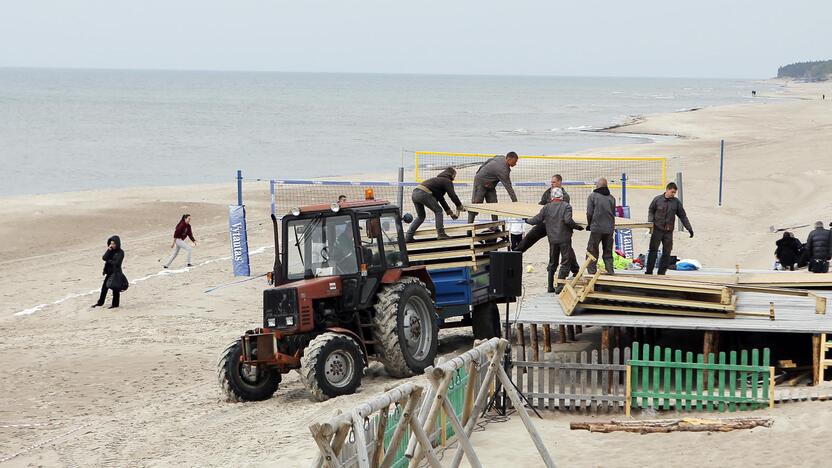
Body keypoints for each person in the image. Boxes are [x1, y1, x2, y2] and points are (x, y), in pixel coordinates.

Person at [514, 174, 580, 275]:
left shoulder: (565, 196)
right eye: (551, 182)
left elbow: (562, 213)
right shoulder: (548, 192)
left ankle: (575, 270)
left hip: (558, 226)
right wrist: (530, 216)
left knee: (567, 249)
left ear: (559, 182)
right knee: (530, 237)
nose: (552, 184)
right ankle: (514, 254)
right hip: (545, 223)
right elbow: (541, 205)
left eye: (553, 182)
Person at [526, 188, 584, 293]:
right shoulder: (566, 206)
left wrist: (527, 221)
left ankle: (550, 286)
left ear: (552, 197)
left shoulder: (547, 207)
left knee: (553, 262)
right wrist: (577, 227)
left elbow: (537, 219)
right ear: (561, 196)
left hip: (552, 239)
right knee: (565, 261)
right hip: (564, 238)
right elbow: (568, 220)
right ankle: (560, 285)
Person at [646, 182, 693, 275]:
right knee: (653, 251)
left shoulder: (676, 202)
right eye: (672, 192)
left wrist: (689, 228)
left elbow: (683, 216)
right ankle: (649, 271)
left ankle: (661, 273)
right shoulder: (657, 199)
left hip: (668, 231)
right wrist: (650, 222)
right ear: (667, 190)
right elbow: (651, 210)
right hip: (657, 230)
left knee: (667, 252)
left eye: (675, 192)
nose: (673, 194)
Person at [405, 167, 462, 241]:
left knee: (421, 216)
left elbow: (441, 199)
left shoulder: (437, 181)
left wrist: (450, 213)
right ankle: (441, 234)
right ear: (452, 174)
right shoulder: (447, 181)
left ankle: (409, 236)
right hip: (424, 193)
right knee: (438, 211)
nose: (454, 177)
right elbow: (452, 195)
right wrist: (459, 206)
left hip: (415, 193)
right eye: (455, 175)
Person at [467, 152, 519, 223]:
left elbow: (489, 160)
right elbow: (509, 188)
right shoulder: (503, 170)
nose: (515, 164)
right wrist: (515, 202)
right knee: (476, 205)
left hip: (490, 185)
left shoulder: (501, 157)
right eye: (514, 162)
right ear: (509, 159)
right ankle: (469, 229)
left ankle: (495, 227)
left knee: (494, 205)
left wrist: (479, 170)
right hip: (480, 182)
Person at [585, 178, 616, 275]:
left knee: (592, 251)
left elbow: (589, 213)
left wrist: (589, 225)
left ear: (597, 186)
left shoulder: (593, 196)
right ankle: (610, 271)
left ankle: (592, 272)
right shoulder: (612, 198)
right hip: (609, 228)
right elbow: (612, 213)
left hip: (596, 228)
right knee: (608, 252)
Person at [92, 235, 126, 309]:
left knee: (115, 289)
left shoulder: (121, 252)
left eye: (114, 244)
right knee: (104, 288)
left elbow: (117, 263)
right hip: (109, 272)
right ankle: (100, 302)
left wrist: (109, 260)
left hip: (116, 273)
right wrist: (108, 250)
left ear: (117, 243)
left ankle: (115, 304)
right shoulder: (111, 251)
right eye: (111, 243)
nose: (112, 245)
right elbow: (104, 258)